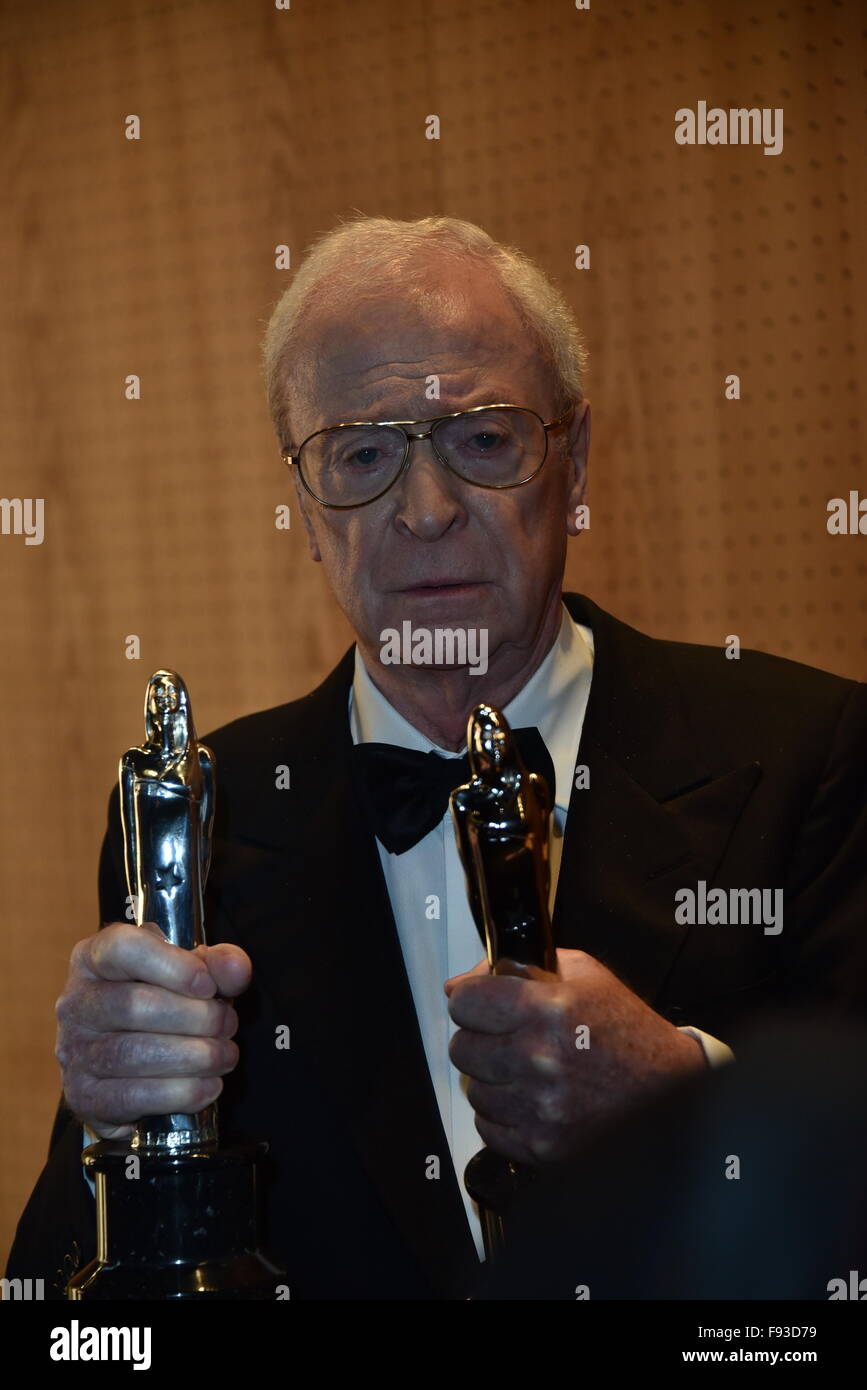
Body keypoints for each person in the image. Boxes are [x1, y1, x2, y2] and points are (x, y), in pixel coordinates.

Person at [8, 216, 866, 1300]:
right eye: (362, 453)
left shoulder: (811, 755)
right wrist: (109, 1117)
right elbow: (77, 1323)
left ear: (578, 459)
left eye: (484, 437)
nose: (425, 510)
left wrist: (688, 1099)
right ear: (307, 512)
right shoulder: (205, 821)